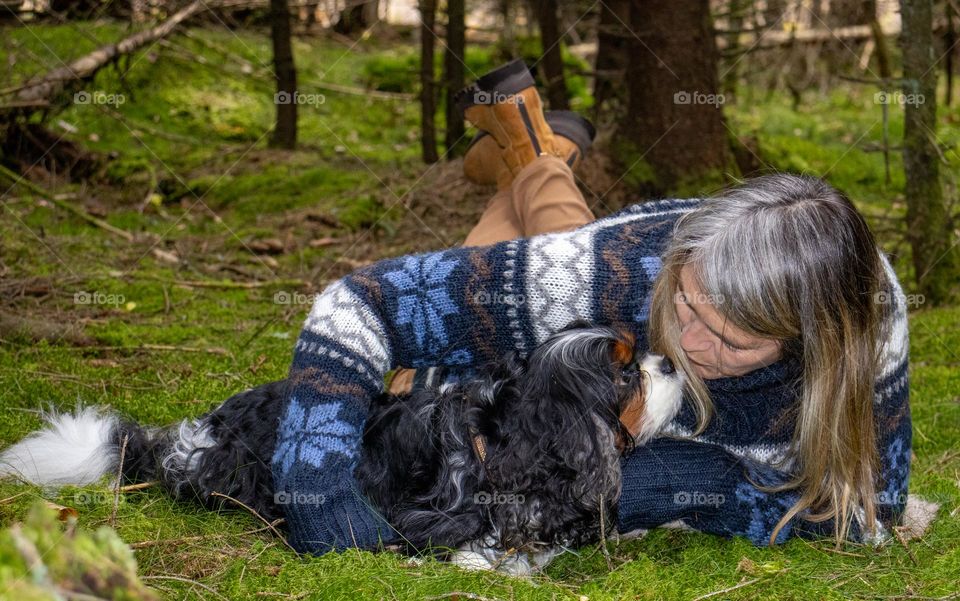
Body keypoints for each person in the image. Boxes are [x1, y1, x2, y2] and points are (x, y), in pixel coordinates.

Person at [271, 61, 911, 554]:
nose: (688, 345)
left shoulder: (867, 329)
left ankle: (530, 152)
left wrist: (689, 484)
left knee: (552, 258)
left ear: (815, 342)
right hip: (598, 281)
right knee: (520, 293)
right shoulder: (609, 271)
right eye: (682, 307)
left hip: (609, 324)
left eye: (733, 342)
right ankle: (533, 153)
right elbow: (358, 305)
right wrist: (319, 497)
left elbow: (871, 512)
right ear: (677, 264)